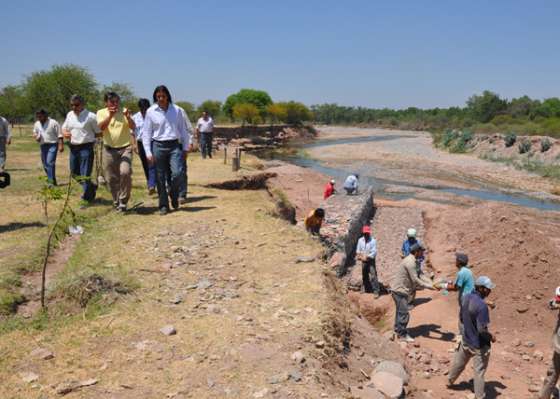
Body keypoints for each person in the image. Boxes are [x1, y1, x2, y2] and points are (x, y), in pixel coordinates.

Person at [142, 85, 190, 215]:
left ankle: (173, 194)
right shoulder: (151, 111)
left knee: (178, 173)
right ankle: (163, 205)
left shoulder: (177, 110)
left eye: (163, 96)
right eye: (158, 97)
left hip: (174, 145)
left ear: (168, 96)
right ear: (155, 97)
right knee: (159, 177)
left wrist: (186, 148)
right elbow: (146, 133)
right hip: (158, 145)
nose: (161, 99)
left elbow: (183, 130)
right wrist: (147, 152)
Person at [447, 276, 496, 399]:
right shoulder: (482, 307)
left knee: (458, 362)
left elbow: (462, 318)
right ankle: (479, 396)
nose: (490, 291)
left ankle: (449, 381)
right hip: (479, 345)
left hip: (466, 339)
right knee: (479, 372)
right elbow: (481, 330)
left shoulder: (466, 297)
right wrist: (491, 337)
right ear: (480, 288)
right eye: (487, 289)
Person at [97, 92, 136, 212]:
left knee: (125, 172)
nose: (115, 104)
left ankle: (123, 201)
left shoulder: (124, 111)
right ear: (106, 103)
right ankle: (116, 200)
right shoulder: (101, 112)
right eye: (112, 102)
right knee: (110, 178)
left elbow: (133, 127)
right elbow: (101, 128)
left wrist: (128, 117)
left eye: (117, 101)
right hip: (109, 149)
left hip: (125, 148)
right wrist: (110, 115)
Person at [390, 243, 436, 342]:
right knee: (404, 313)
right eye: (421, 251)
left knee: (400, 312)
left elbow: (421, 275)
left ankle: (397, 329)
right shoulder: (410, 262)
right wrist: (429, 286)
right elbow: (415, 280)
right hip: (400, 291)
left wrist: (432, 283)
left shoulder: (415, 261)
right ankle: (402, 335)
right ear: (416, 252)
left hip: (402, 290)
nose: (422, 253)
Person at [62, 95, 101, 206]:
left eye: (77, 105)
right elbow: (64, 127)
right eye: (72, 105)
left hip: (86, 148)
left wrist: (91, 139)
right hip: (73, 148)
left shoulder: (91, 116)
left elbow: (99, 132)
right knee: (74, 173)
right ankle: (91, 187)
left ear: (83, 104)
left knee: (85, 175)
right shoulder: (69, 115)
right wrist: (64, 132)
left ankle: (86, 198)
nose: (74, 107)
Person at [444, 253, 475, 336]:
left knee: (462, 322)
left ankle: (463, 342)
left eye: (456, 260)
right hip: (471, 299)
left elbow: (456, 287)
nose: (455, 261)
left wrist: (445, 286)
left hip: (466, 300)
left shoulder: (461, 273)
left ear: (459, 262)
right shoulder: (468, 271)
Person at [538, 287, 560, 399]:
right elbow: (552, 304)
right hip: (558, 347)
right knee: (553, 372)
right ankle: (543, 396)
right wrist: (554, 303)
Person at [33, 109, 63, 185]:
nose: (39, 118)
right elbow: (35, 132)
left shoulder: (53, 122)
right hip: (43, 145)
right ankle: (53, 180)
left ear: (45, 115)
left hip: (52, 145)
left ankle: (50, 183)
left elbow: (59, 134)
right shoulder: (37, 123)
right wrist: (36, 136)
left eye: (40, 116)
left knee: (50, 163)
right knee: (45, 164)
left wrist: (60, 145)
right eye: (38, 116)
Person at [132, 99, 157, 194]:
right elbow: (133, 132)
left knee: (152, 163)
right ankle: (150, 183)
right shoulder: (135, 117)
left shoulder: (153, 116)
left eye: (145, 108)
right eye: (142, 109)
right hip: (140, 143)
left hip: (152, 142)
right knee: (145, 164)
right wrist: (134, 145)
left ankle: (152, 184)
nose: (144, 111)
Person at [356, 225, 380, 298]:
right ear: (363, 233)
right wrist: (359, 255)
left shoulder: (373, 241)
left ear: (369, 233)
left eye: (367, 233)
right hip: (363, 260)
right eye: (365, 233)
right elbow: (358, 250)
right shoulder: (360, 240)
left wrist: (367, 257)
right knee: (364, 274)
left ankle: (376, 291)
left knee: (373, 275)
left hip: (370, 260)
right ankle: (366, 288)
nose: (366, 235)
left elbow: (374, 252)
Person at [177, 105, 194, 203]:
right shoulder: (155, 111)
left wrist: (189, 143)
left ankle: (182, 194)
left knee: (181, 170)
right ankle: (171, 192)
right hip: (162, 145)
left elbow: (189, 129)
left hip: (180, 144)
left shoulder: (179, 110)